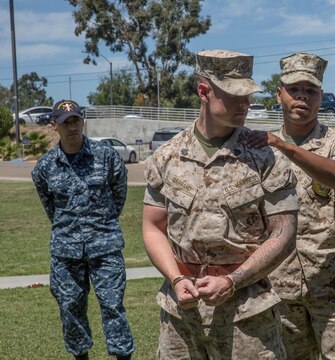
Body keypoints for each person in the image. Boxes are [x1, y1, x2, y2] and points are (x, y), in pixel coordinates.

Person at [142, 50, 299, 359]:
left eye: (248, 95)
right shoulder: (167, 157)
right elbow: (152, 227)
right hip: (181, 312)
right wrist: (175, 278)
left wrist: (231, 280)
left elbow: (284, 234)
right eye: (234, 96)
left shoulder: (266, 158)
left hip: (247, 315)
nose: (246, 104)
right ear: (204, 91)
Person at [246, 52, 335, 360]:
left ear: (321, 96)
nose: (302, 96)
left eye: (311, 90)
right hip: (281, 287)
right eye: (294, 89)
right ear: (279, 94)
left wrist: (285, 147)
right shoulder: (257, 147)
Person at [32, 100, 135, 360]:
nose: (72, 126)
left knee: (112, 306)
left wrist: (103, 224)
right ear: (54, 125)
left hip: (105, 246)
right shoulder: (45, 167)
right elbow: (51, 208)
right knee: (70, 308)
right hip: (66, 251)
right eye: (66, 122)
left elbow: (119, 193)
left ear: (82, 121)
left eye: (76, 120)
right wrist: (70, 230)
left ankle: (122, 356)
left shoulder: (106, 155)